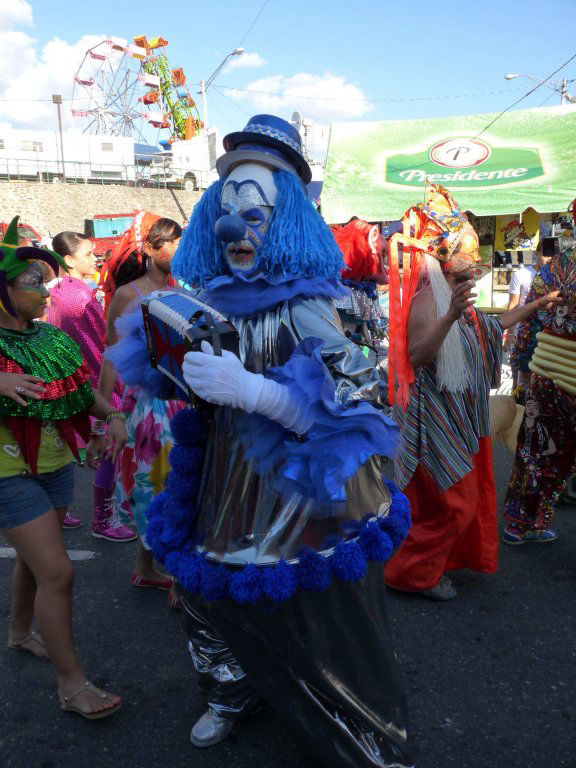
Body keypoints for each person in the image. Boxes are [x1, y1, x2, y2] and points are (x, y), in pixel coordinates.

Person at [111, 115, 413, 767]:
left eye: (257, 210)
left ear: (289, 221)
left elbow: (355, 406)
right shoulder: (211, 294)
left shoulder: (306, 303)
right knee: (201, 595)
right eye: (228, 208)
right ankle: (232, 691)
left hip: (294, 493)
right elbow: (182, 379)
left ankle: (363, 734)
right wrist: (179, 369)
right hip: (222, 478)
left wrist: (258, 393)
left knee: (319, 613)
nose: (236, 226)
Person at [383, 186, 560, 600]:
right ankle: (410, 575)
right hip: (435, 423)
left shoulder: (455, 295)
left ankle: (435, 564)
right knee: (454, 505)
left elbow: (492, 327)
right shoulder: (430, 297)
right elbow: (420, 354)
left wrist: (537, 304)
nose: (475, 264)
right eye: (466, 257)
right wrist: (449, 316)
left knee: (458, 502)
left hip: (462, 419)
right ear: (444, 258)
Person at [0, 217, 125, 718]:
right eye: (33, 282)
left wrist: (111, 416)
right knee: (59, 573)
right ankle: (72, 686)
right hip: (7, 475)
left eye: (45, 280)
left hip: (53, 467)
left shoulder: (49, 339)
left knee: (35, 563)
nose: (44, 289)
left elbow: (80, 393)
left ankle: (18, 633)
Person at [98, 212, 185, 591]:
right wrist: (105, 419)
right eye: (170, 242)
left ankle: (147, 566)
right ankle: (161, 567)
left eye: (182, 242)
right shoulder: (127, 294)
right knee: (150, 483)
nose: (177, 249)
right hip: (145, 407)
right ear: (150, 249)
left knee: (178, 482)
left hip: (181, 403)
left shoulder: (183, 293)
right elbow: (110, 358)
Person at [46, 231, 135, 540]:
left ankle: (57, 510)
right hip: (93, 380)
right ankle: (103, 519)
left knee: (62, 449)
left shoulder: (56, 290)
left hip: (67, 380)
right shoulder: (80, 295)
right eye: (87, 254)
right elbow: (105, 340)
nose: (95, 258)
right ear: (69, 260)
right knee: (109, 450)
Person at [503, 236, 576, 544]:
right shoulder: (560, 264)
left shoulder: (558, 265)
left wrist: (523, 363)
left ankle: (519, 524)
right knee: (547, 453)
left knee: (534, 450)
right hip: (558, 375)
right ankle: (529, 522)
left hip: (546, 373)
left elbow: (531, 319)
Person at [507, 242, 551, 390]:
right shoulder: (521, 274)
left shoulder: (556, 276)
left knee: (541, 380)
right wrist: (510, 333)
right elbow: (513, 305)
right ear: (537, 254)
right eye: (545, 254)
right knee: (521, 378)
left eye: (552, 255)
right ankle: (518, 406)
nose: (548, 259)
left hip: (546, 333)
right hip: (523, 332)